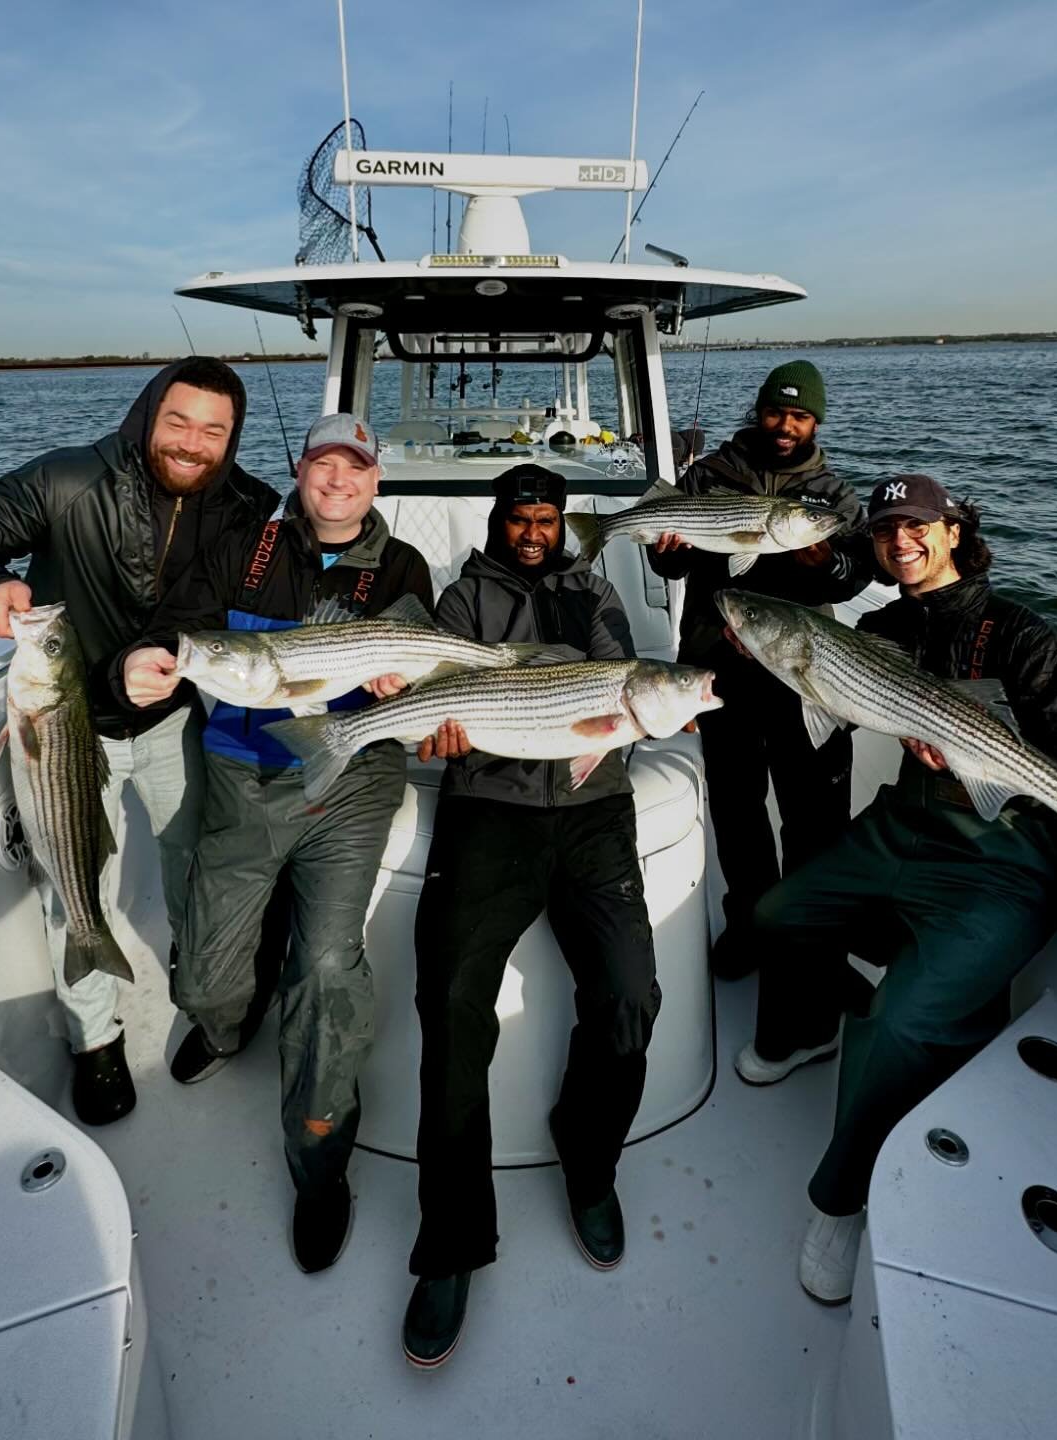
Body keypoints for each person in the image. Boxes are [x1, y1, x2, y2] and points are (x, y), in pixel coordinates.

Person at [738, 473, 1057, 1304]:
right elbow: (828, 688)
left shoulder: (1026, 638)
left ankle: (841, 1199)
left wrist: (976, 764)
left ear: (955, 533)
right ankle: (821, 1025)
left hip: (1003, 855)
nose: (901, 540)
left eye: (918, 526)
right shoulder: (885, 624)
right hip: (904, 830)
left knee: (893, 1023)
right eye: (888, 528)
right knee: (777, 914)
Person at [0, 358, 279, 1126]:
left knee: (194, 865)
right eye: (178, 421)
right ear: (149, 413)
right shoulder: (66, 479)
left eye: (214, 430)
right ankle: (96, 1041)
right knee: (71, 884)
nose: (192, 443)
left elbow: (217, 610)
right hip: (68, 725)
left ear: (232, 437)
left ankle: (202, 974)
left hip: (173, 718)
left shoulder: (247, 506)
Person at [118, 413, 433, 1274]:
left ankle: (320, 1167)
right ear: (299, 470)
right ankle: (229, 1020)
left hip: (351, 783)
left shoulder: (402, 569)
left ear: (377, 482)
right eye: (324, 464)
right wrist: (152, 659)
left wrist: (403, 679)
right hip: (241, 773)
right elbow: (178, 628)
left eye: (357, 468)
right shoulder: (241, 548)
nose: (339, 481)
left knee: (327, 969)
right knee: (205, 977)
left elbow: (418, 673)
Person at [401, 463, 662, 1370]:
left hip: (594, 817)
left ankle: (588, 1163)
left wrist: (657, 702)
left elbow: (623, 683)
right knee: (451, 1007)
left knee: (631, 998)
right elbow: (434, 695)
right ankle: (451, 1247)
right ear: (499, 520)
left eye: (549, 517)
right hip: (489, 812)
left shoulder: (596, 594)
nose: (535, 530)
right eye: (521, 517)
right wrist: (432, 730)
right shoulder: (460, 603)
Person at [646, 360, 874, 980]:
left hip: (805, 672)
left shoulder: (833, 497)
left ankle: (803, 935)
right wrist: (669, 554)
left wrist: (823, 563)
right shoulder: (709, 476)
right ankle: (747, 921)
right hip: (720, 668)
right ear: (759, 411)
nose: (785, 425)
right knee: (738, 809)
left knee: (813, 815)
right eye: (777, 412)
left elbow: (857, 577)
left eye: (800, 416)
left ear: (815, 422)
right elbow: (670, 569)